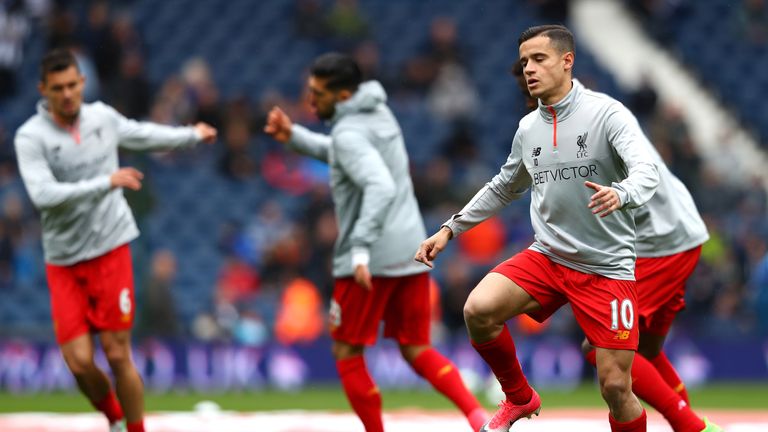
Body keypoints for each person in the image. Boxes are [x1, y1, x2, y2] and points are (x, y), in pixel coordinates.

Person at [416, 25, 661, 432]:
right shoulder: (529, 127)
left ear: (568, 61)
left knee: (616, 386)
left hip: (606, 268)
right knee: (478, 310)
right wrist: (449, 229)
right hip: (548, 257)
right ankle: (518, 397)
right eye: (525, 61)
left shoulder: (607, 114)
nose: (529, 69)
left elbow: (646, 169)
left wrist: (623, 193)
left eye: (539, 59)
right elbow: (503, 187)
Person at [264, 52, 487, 432]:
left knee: (347, 350)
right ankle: (478, 416)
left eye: (319, 93)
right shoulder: (379, 114)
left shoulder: (349, 133)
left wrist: (361, 248)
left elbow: (376, 182)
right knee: (416, 348)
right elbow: (345, 153)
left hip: (371, 258)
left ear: (345, 95)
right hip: (410, 248)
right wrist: (296, 137)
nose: (310, 100)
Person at [514, 59, 722, 431]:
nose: (532, 101)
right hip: (675, 233)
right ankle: (690, 424)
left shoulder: (592, 124)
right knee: (645, 350)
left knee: (600, 349)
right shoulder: (591, 115)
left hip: (658, 243)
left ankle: (692, 426)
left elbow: (630, 180)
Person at [14, 49, 216, 432]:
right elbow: (42, 195)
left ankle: (133, 429)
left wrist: (191, 135)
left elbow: (143, 133)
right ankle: (114, 416)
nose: (68, 93)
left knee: (117, 353)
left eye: (73, 85)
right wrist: (105, 182)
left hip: (110, 248)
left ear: (82, 83)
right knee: (78, 361)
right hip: (65, 259)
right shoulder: (31, 137)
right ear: (44, 90)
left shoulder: (102, 118)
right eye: (58, 88)